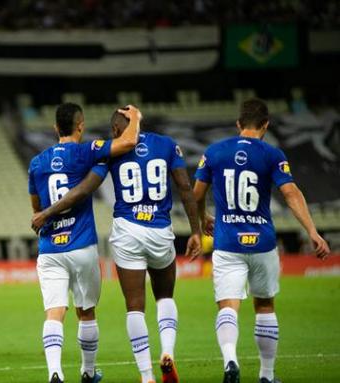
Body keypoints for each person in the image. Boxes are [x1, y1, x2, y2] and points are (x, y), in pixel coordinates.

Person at [32, 110, 202, 383]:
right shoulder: (167, 144)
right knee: (165, 297)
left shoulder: (108, 153)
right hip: (160, 230)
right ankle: (167, 352)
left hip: (127, 231)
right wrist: (196, 228)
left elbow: (85, 188)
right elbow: (184, 186)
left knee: (135, 306)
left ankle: (146, 376)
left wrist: (47, 213)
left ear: (115, 128)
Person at [193, 98, 331, 383]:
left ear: (238, 124)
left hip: (227, 242)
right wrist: (313, 232)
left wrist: (203, 216)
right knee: (265, 306)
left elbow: (195, 195)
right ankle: (266, 375)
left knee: (228, 305)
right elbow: (291, 193)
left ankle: (230, 360)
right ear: (266, 125)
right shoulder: (273, 154)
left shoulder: (215, 152)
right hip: (262, 243)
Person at [28, 102, 141, 383]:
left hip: (50, 248)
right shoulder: (87, 151)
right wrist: (136, 117)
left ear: (55, 128)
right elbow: (128, 141)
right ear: (81, 126)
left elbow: (36, 205)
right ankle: (88, 372)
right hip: (81, 245)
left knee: (54, 312)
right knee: (86, 311)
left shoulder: (37, 162)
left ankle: (55, 372)